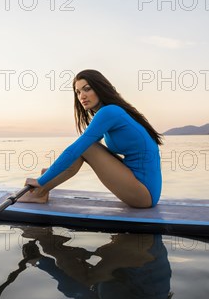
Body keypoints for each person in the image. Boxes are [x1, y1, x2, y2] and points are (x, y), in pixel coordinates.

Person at [19, 69, 163, 208]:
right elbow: (80, 153)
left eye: (87, 89)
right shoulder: (111, 111)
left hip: (144, 194)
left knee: (85, 147)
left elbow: (78, 149)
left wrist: (41, 180)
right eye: (78, 92)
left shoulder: (109, 112)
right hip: (142, 187)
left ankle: (40, 191)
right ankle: (43, 189)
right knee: (85, 147)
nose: (82, 96)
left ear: (100, 88)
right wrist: (54, 171)